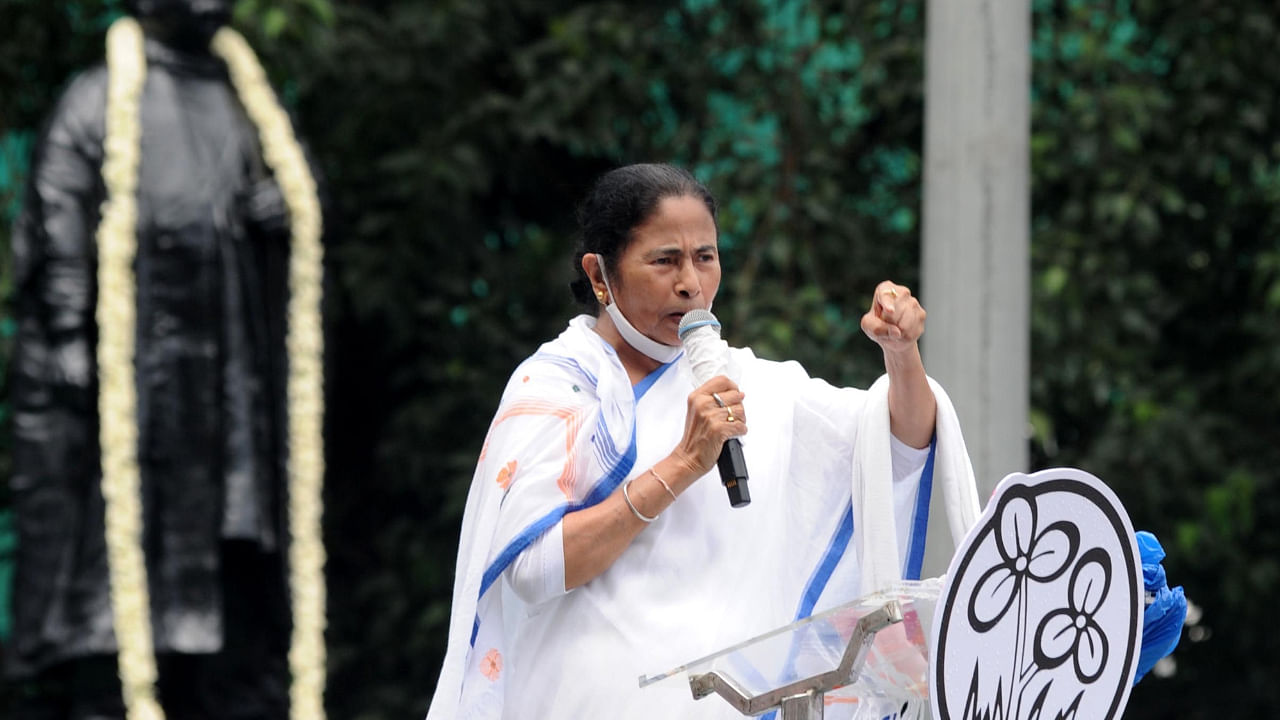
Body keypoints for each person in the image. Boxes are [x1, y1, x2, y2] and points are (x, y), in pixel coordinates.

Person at [426, 163, 983, 719]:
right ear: (600, 275)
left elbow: (898, 439)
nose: (691, 283)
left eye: (705, 257)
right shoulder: (558, 386)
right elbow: (534, 569)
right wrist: (684, 464)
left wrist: (901, 352)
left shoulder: (754, 385)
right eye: (665, 260)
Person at [5, 1, 326, 718]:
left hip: (231, 390)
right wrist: (65, 332)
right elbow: (57, 218)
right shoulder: (99, 100)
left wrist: (286, 211)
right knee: (120, 567)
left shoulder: (252, 102)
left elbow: (300, 200)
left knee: (231, 581)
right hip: (134, 389)